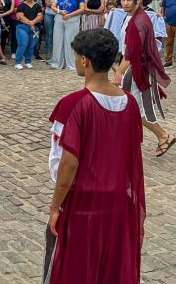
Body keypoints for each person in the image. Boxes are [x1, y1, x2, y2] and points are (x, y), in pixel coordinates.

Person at [44, 28, 145, 284]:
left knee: (78, 270)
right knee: (110, 270)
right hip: (118, 202)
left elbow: (67, 165)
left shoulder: (73, 104)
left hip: (83, 203)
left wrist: (55, 208)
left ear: (84, 60)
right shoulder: (130, 104)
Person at [113, 0, 176, 157]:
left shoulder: (139, 22)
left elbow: (132, 54)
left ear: (138, 1)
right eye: (123, 0)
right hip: (134, 66)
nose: (125, 3)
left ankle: (163, 136)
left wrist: (118, 73)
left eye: (129, 0)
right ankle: (129, 140)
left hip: (135, 69)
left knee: (133, 107)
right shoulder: (134, 16)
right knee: (130, 106)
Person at [50, 0, 85, 71]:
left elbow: (82, 9)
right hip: (60, 18)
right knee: (57, 40)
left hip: (72, 19)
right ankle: (57, 63)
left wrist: (70, 15)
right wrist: (60, 11)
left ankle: (71, 64)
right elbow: (53, 6)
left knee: (70, 41)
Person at [15, 0, 43, 69]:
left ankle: (28, 62)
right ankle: (18, 62)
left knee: (31, 45)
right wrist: (30, 23)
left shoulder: (37, 5)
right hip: (22, 27)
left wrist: (33, 22)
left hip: (35, 28)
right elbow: (20, 16)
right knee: (23, 44)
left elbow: (40, 16)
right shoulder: (21, 5)